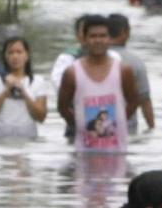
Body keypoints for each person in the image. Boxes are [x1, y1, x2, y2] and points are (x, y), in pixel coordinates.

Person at [59, 14, 141, 152]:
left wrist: (119, 122)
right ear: (84, 39)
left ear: (110, 39)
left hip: (117, 152)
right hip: (84, 153)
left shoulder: (123, 70)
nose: (98, 41)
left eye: (103, 36)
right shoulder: (72, 73)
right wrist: (79, 124)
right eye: (93, 36)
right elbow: (62, 107)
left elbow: (134, 101)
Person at [0, 36, 49, 141]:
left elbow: (41, 117)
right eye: (10, 53)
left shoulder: (38, 81)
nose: (15, 56)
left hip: (28, 141)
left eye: (19, 52)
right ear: (5, 56)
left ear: (27, 55)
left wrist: (24, 93)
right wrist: (5, 91)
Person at [106, 14, 157, 135]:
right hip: (128, 129)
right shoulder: (135, 62)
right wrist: (152, 129)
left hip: (96, 128)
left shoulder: (90, 60)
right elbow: (145, 100)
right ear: (125, 32)